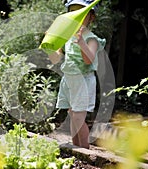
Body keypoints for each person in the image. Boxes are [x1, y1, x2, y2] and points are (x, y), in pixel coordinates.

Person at [48, 0, 106, 148]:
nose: (76, 18)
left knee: (79, 118)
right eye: (73, 13)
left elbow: (89, 60)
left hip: (83, 82)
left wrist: (81, 43)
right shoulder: (67, 37)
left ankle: (85, 151)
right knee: (73, 116)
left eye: (81, 14)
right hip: (69, 80)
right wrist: (50, 46)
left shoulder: (91, 38)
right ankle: (76, 150)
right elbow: (55, 59)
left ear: (91, 17)